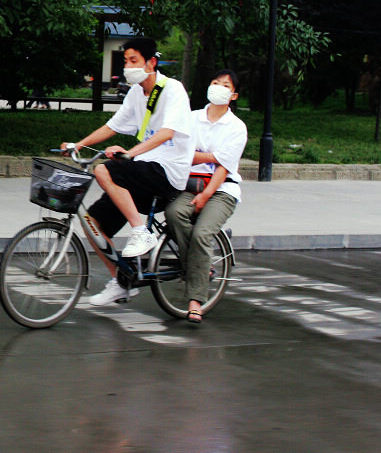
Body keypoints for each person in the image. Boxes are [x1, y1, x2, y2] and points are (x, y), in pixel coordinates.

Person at [61, 37, 194, 306]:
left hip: (169, 171)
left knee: (105, 170)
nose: (128, 66)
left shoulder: (173, 90)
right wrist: (79, 144)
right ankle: (121, 282)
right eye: (126, 61)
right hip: (146, 168)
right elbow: (112, 126)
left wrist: (130, 154)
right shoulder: (135, 93)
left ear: (151, 62)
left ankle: (140, 231)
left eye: (134, 61)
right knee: (92, 223)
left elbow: (168, 132)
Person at [164, 69, 247, 325]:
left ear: (233, 95)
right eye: (215, 82)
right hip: (189, 184)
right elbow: (180, 151)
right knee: (173, 213)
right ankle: (201, 267)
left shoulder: (236, 128)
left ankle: (195, 300)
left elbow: (224, 167)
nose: (218, 87)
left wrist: (206, 193)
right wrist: (211, 155)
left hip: (222, 190)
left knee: (202, 233)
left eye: (225, 85)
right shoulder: (191, 118)